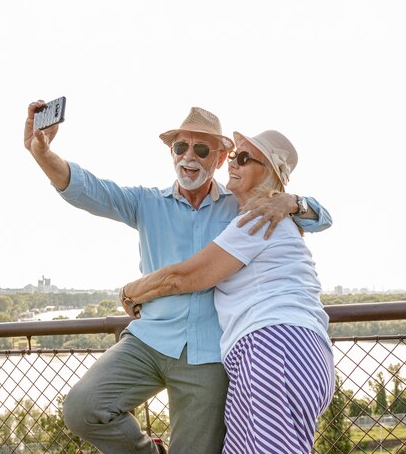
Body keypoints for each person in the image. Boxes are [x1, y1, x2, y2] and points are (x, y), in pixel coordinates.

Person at [24, 103, 332, 454]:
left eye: (201, 149)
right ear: (171, 153)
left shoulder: (245, 204)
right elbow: (87, 189)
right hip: (150, 339)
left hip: (209, 353)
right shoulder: (146, 202)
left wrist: (293, 202)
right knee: (83, 408)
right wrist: (42, 153)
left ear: (219, 159)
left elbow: (320, 219)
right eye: (180, 147)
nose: (189, 156)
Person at [121, 129, 335, 454]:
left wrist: (131, 291)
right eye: (234, 156)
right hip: (277, 353)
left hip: (272, 351)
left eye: (245, 158)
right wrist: (293, 202)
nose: (233, 164)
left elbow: (185, 276)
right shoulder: (274, 216)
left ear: (269, 174)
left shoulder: (257, 220)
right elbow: (319, 216)